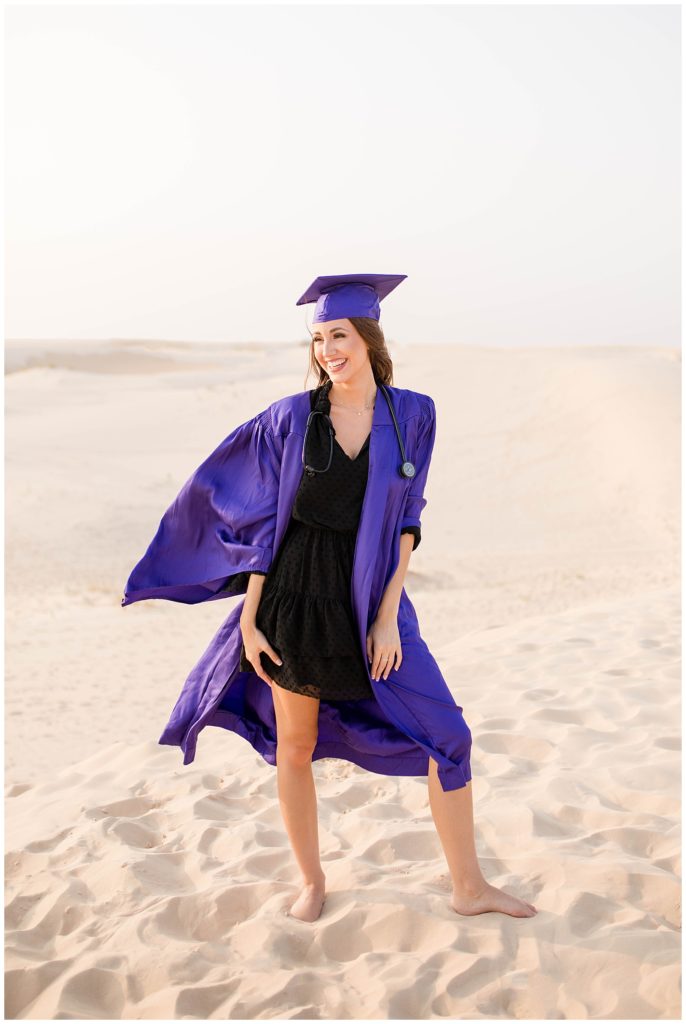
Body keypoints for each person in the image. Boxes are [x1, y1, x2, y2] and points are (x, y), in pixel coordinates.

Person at [122, 273, 538, 924]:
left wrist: (388, 617)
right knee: (295, 746)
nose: (327, 351)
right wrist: (252, 620)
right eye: (317, 340)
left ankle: (468, 886)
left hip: (373, 599)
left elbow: (409, 519)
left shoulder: (414, 414)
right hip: (293, 602)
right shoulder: (290, 419)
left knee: (449, 737)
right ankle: (311, 881)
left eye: (338, 336)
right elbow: (258, 521)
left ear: (368, 337)